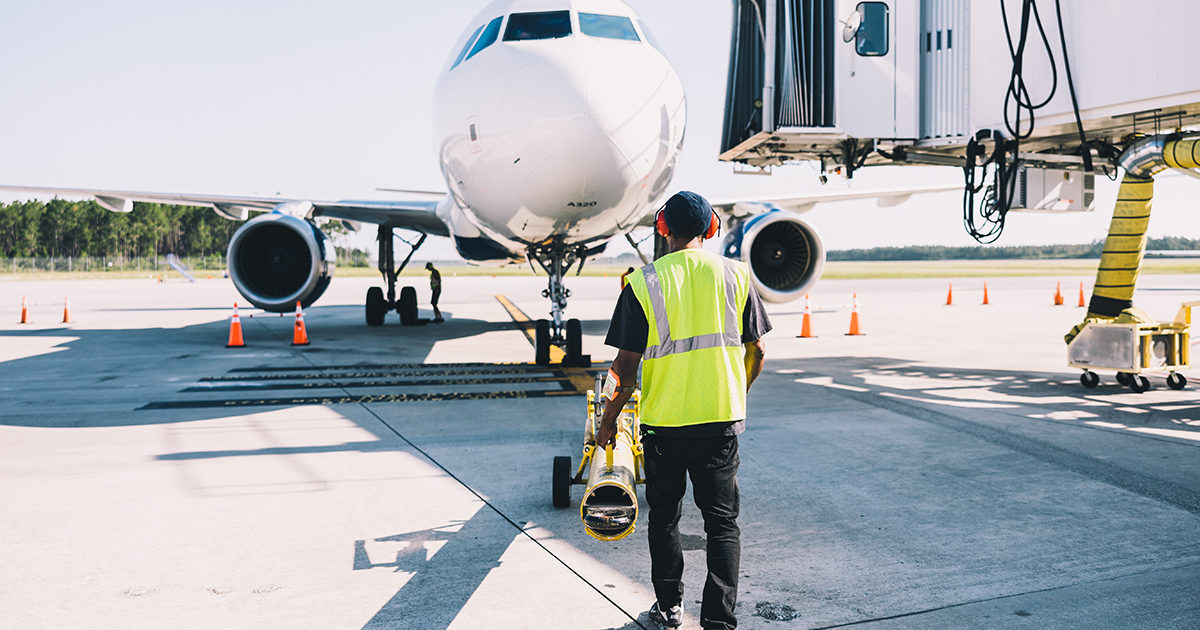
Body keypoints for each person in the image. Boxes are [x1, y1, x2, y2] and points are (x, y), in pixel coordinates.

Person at [596, 191, 770, 630]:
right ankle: (718, 620)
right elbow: (759, 349)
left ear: (662, 228)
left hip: (664, 426)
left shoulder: (643, 283)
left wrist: (607, 420)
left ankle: (670, 607)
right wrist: (736, 390)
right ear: (711, 228)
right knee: (723, 524)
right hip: (719, 423)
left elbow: (623, 370)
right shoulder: (737, 276)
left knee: (665, 519)